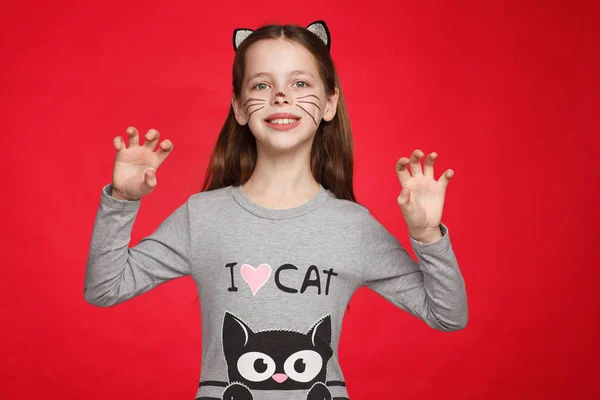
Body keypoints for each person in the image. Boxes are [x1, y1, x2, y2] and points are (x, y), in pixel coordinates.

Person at [84, 20, 468, 400]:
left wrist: (428, 236)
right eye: (262, 85)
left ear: (330, 103)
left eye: (300, 83)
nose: (280, 96)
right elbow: (105, 288)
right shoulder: (202, 217)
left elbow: (448, 315)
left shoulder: (353, 227)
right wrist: (121, 201)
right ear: (239, 107)